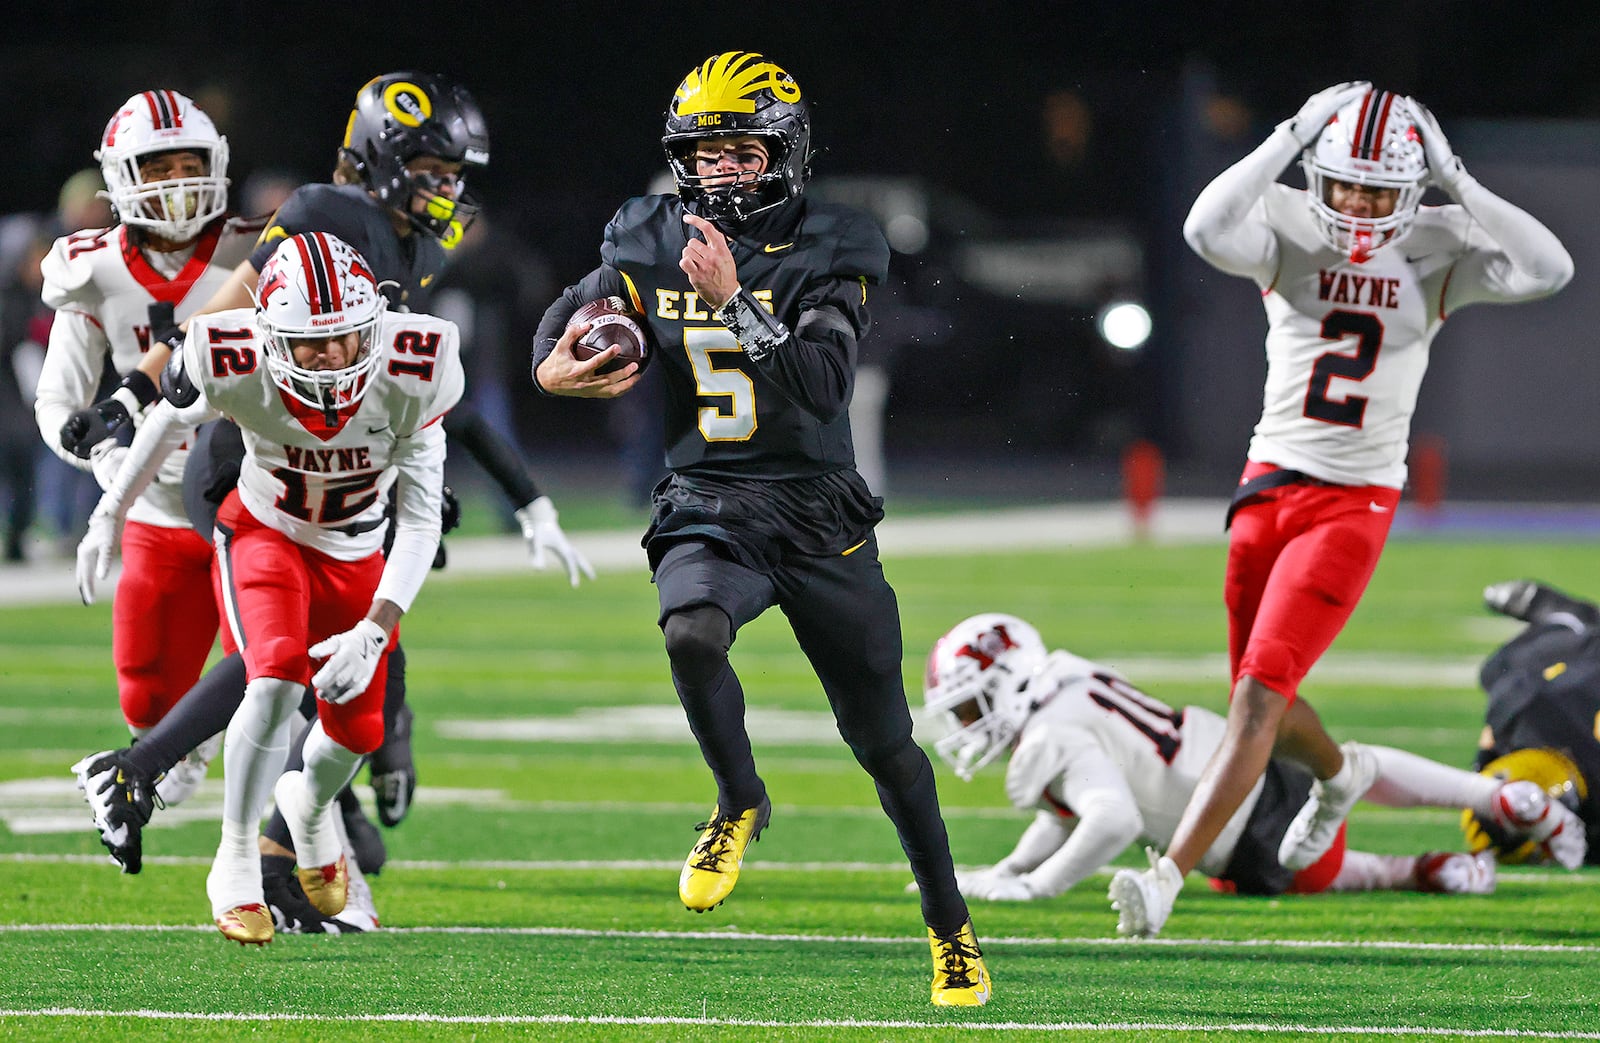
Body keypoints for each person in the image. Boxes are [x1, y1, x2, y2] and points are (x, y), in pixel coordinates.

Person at [530, 51, 989, 1006]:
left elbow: (824, 384)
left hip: (818, 506)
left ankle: (951, 928)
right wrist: (551, 369)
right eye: (707, 153)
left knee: (886, 744)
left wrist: (733, 297)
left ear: (788, 154)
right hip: (709, 497)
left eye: (745, 151)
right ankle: (740, 799)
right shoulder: (648, 230)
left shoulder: (839, 238)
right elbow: (568, 314)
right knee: (692, 630)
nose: (724, 170)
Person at [68, 72, 588, 903]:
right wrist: (135, 392)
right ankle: (222, 808)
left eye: (456, 176)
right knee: (287, 650)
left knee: (356, 633)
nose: (451, 193)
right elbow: (225, 318)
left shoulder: (408, 242)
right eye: (435, 173)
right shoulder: (329, 215)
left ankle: (327, 800)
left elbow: (426, 392)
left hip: (340, 464)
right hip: (259, 461)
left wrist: (523, 497)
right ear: (383, 161)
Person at [1107, 83, 1574, 939]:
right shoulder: (1286, 218)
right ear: (1317, 174)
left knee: (1256, 702)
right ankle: (1342, 772)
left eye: (1378, 190)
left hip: (1352, 501)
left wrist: (1456, 179)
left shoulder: (1437, 244)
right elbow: (1203, 228)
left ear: (1415, 187)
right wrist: (1288, 134)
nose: (1357, 206)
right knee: (1263, 704)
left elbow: (1552, 268)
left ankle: (1168, 875)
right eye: (1344, 184)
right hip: (1264, 485)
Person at [77, 231, 463, 945]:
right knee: (275, 673)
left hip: (355, 549)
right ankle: (234, 860)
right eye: (308, 342)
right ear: (268, 333)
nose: (330, 357)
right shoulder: (230, 355)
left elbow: (417, 523)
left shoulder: (418, 365)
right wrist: (110, 513)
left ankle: (309, 810)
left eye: (345, 338)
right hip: (264, 530)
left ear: (373, 324)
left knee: (356, 730)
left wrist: (376, 627)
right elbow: (166, 420)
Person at [923, 613, 1584, 907]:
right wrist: (1008, 868)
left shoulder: (1046, 736)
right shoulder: (1069, 682)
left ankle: (1419, 867)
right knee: (1345, 772)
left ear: (1007, 683)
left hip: (1237, 826)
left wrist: (1037, 887)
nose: (966, 725)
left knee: (1306, 860)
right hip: (1242, 761)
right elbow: (1072, 806)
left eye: (970, 706)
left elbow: (1112, 819)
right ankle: (1487, 802)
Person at [36, 90, 260, 801]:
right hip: (157, 503)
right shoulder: (91, 264)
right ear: (122, 178)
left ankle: (310, 829)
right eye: (157, 167)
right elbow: (59, 401)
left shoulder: (260, 251)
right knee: (142, 689)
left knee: (277, 677)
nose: (177, 181)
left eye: (189, 163)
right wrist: (106, 463)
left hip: (252, 498)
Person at [1465, 579, 1600, 865]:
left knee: (1503, 669)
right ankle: (1563, 618)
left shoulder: (1514, 704)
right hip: (1557, 677)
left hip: (1571, 666)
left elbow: (1490, 741)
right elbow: (1489, 741)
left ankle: (1566, 617)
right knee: (1501, 669)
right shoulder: (1515, 706)